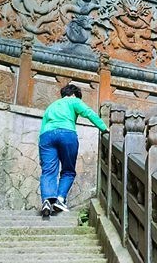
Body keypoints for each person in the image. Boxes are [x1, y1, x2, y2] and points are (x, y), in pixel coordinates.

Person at [38, 84, 107, 219]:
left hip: (46, 137)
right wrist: (104, 128)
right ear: (75, 95)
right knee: (68, 171)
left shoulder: (51, 106)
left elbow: (42, 127)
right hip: (67, 134)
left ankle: (47, 200)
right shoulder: (74, 101)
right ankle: (60, 199)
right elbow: (88, 113)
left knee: (48, 171)